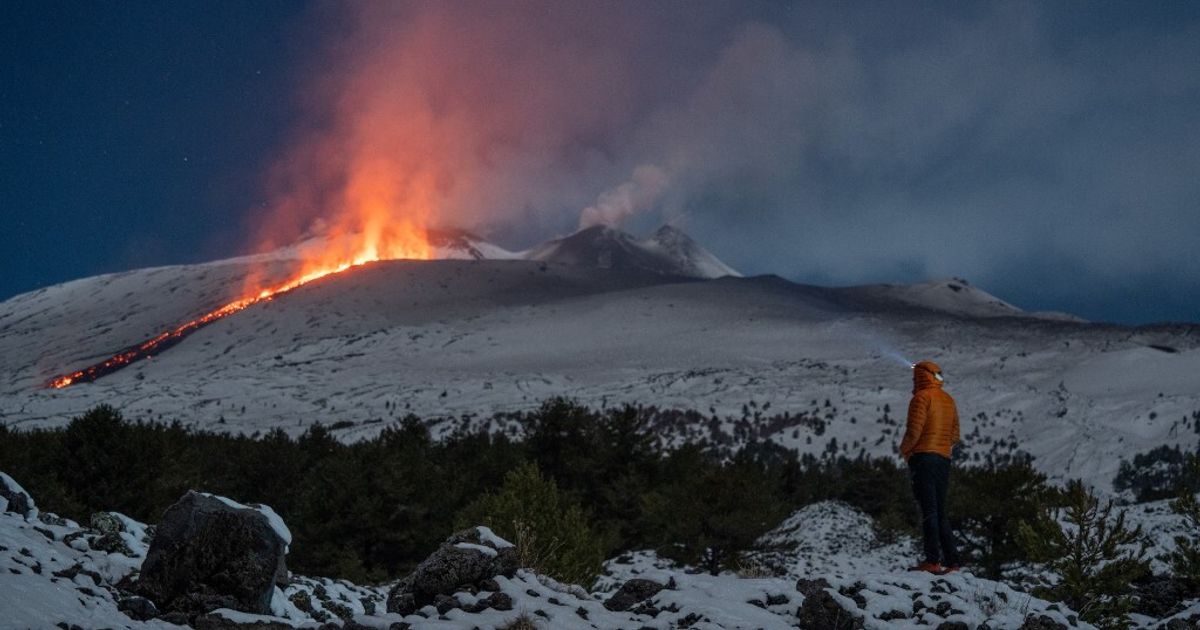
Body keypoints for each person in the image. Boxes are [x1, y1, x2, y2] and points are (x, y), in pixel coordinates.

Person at [899, 360, 961, 574]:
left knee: (929, 510)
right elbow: (955, 435)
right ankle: (953, 562)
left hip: (923, 458)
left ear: (920, 376)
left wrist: (905, 451)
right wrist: (942, 447)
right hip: (943, 459)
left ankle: (932, 561)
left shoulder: (921, 398)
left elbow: (913, 432)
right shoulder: (948, 400)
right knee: (941, 511)